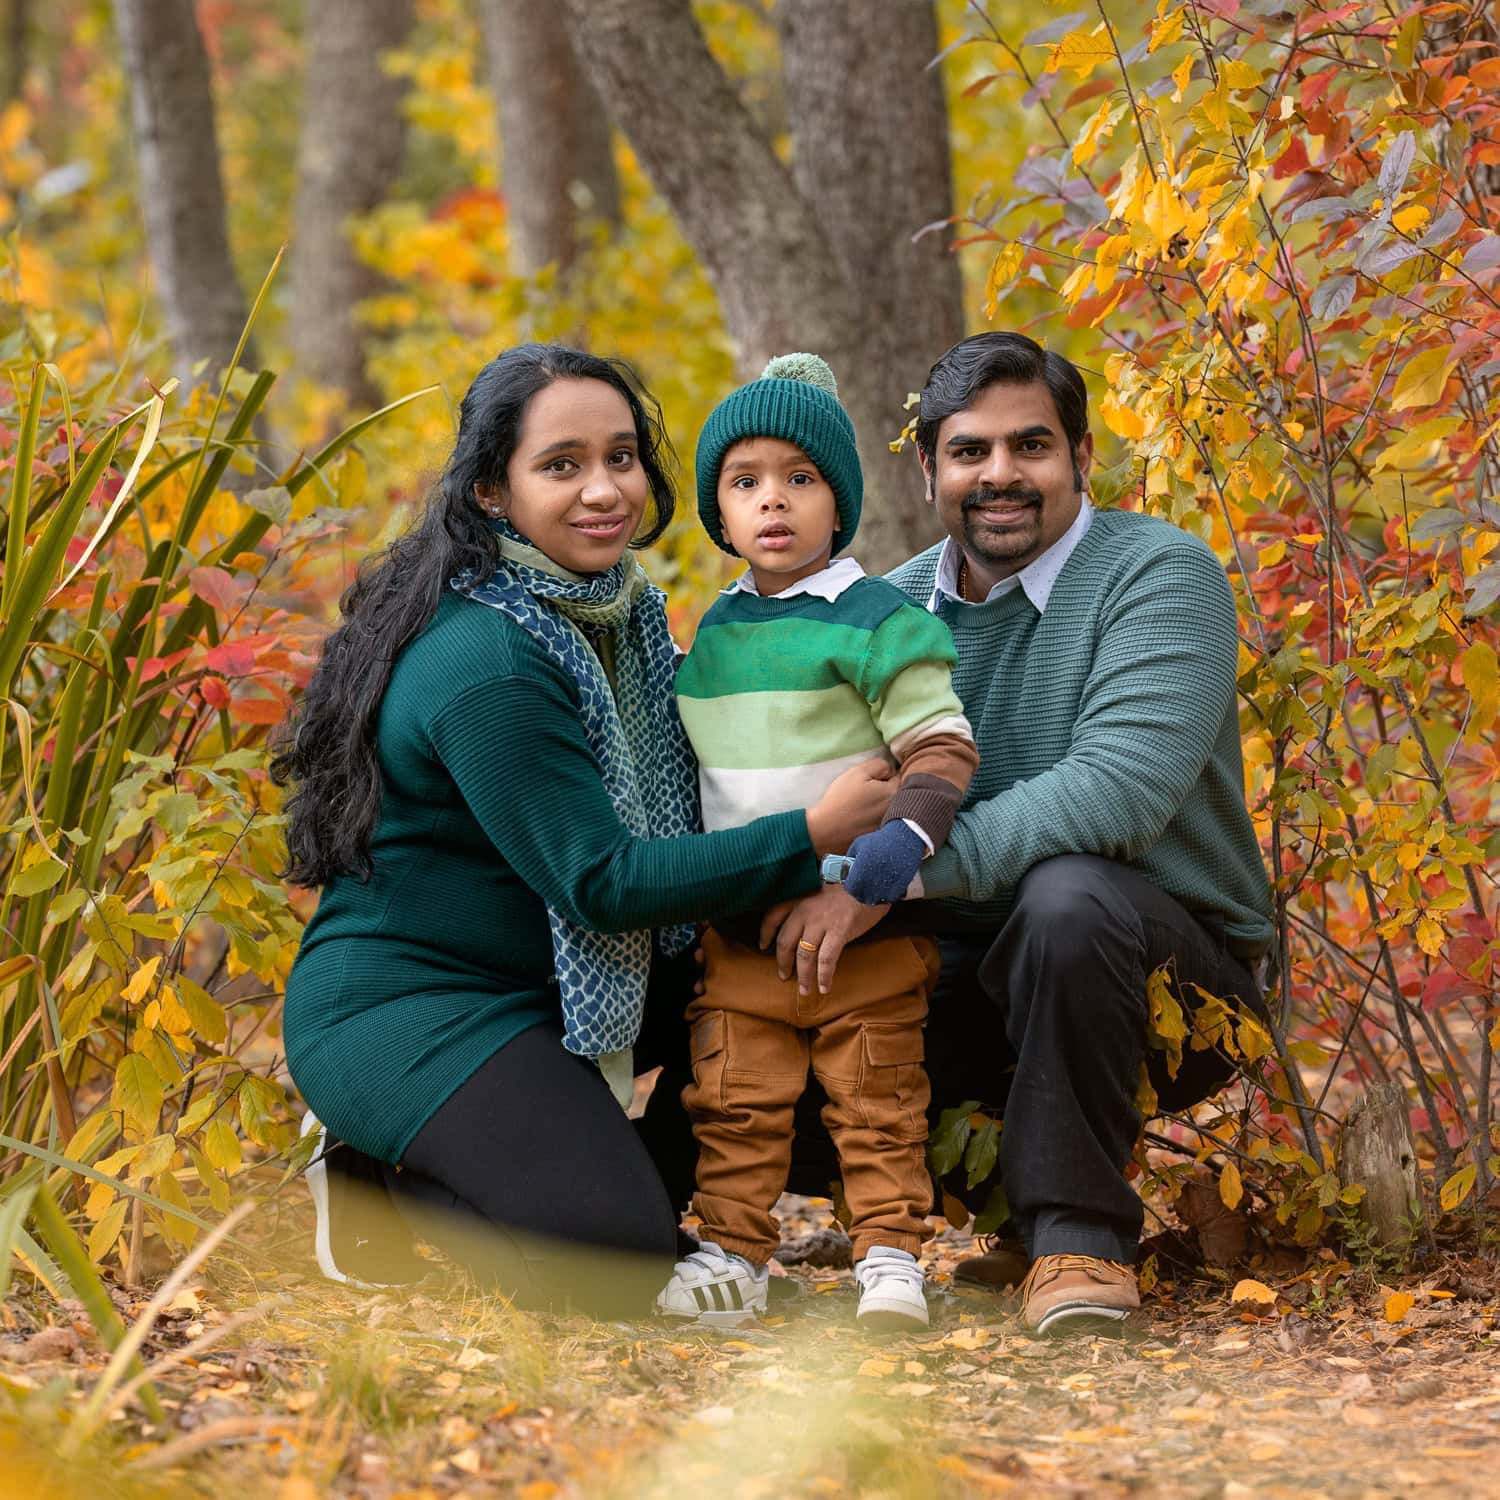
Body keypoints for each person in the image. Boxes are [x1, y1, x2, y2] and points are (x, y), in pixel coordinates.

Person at [271, 344, 893, 1317]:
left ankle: (623, 1197)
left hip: (547, 982)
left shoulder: (621, 615)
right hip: (413, 1010)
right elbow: (600, 880)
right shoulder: (493, 661)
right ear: (490, 489)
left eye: (620, 457)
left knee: (795, 1004)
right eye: (561, 466)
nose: (603, 490)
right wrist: (808, 832)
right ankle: (378, 1185)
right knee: (612, 1268)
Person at [763, 331, 1274, 1336]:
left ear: (1082, 457)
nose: (1000, 475)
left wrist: (886, 879)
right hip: (967, 959)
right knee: (773, 1014)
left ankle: (1079, 1242)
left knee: (1068, 895)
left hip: (1169, 980)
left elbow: (1115, 796)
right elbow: (831, 796)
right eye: (970, 451)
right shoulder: (887, 610)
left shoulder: (1159, 575)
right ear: (931, 469)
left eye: (1030, 447)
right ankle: (589, 1200)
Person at [652, 355, 978, 1331]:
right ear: (718, 510)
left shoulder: (877, 619)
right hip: (743, 928)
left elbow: (940, 744)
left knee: (878, 1101)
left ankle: (889, 1255)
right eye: (744, 482)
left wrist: (899, 847)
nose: (773, 502)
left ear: (838, 502)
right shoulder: (713, 632)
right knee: (734, 1103)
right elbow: (691, 755)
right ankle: (732, 1255)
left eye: (800, 478)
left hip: (860, 926)